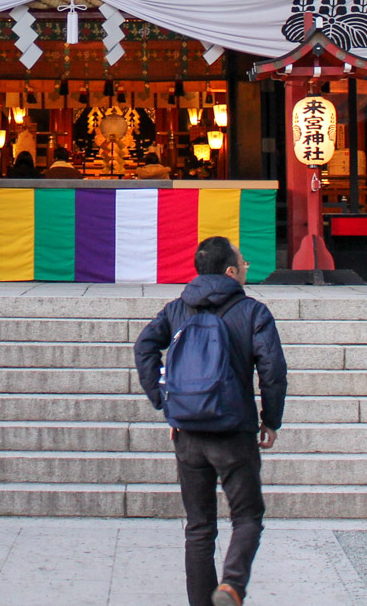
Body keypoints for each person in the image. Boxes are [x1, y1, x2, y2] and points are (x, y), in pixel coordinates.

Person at [134, 236, 288, 606]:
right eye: (244, 261)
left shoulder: (176, 310)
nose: (248, 266)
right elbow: (272, 370)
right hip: (233, 430)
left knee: (199, 529)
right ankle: (232, 586)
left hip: (187, 432)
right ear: (231, 271)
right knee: (247, 516)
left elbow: (144, 347)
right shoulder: (252, 312)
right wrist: (271, 420)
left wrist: (165, 400)